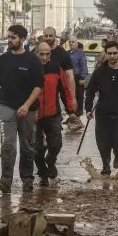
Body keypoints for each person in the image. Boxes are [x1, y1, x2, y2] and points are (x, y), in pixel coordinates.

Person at [0, 24, 44, 194]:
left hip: (29, 110)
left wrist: (26, 105)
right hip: (6, 107)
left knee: (27, 146)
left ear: (22, 39)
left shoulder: (33, 60)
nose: (10, 40)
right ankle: (6, 180)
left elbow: (38, 87)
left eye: (13, 37)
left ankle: (27, 180)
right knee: (8, 144)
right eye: (9, 37)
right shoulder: (3, 60)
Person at [85, 41, 118, 176]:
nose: (112, 56)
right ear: (106, 54)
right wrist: (88, 109)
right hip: (102, 112)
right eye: (109, 53)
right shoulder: (99, 72)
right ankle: (106, 167)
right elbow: (90, 91)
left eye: (114, 53)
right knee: (102, 142)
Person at [34, 42, 76, 186]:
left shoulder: (56, 68)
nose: (45, 57)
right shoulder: (30, 68)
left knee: (56, 144)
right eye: (42, 54)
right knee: (37, 148)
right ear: (36, 53)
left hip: (53, 114)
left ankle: (50, 161)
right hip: (34, 115)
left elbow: (65, 90)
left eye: (48, 54)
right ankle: (43, 174)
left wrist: (71, 111)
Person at [42, 27, 77, 113]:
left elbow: (70, 76)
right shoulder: (36, 52)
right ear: (43, 37)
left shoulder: (63, 53)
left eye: (50, 36)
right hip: (39, 95)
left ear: (55, 36)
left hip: (57, 96)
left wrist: (73, 98)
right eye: (46, 36)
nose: (48, 38)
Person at [68, 36, 88, 121]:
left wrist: (82, 77)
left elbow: (83, 66)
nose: (71, 43)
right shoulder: (67, 53)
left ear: (76, 43)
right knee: (69, 96)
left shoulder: (80, 53)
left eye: (73, 42)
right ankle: (71, 116)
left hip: (77, 77)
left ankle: (78, 117)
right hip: (69, 77)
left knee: (79, 96)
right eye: (70, 42)